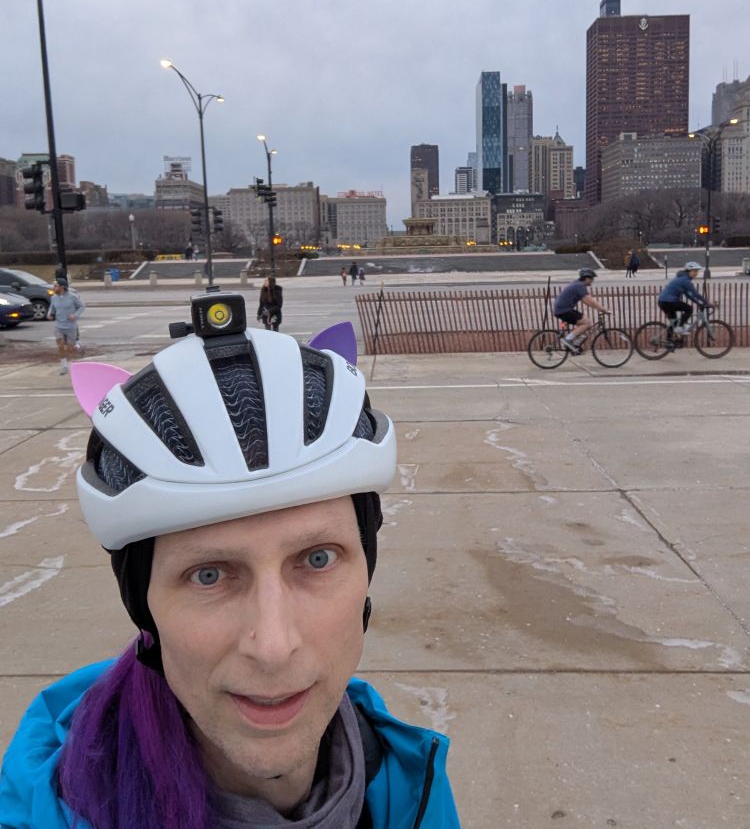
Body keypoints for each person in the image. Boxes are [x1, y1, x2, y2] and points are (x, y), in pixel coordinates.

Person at [0, 293, 460, 828]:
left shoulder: (412, 784)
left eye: (316, 559)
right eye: (209, 575)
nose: (273, 646)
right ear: (144, 608)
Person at [553, 267, 609, 353]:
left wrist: (597, 308)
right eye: (591, 278)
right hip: (564, 310)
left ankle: (574, 347)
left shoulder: (577, 284)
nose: (592, 281)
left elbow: (586, 301)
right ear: (586, 278)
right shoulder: (579, 286)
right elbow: (589, 300)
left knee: (583, 325)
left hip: (562, 310)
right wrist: (603, 309)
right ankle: (568, 339)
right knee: (586, 323)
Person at [658, 261, 709, 336]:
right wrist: (706, 302)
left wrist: (698, 303)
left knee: (674, 323)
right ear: (688, 271)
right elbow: (695, 294)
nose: (696, 273)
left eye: (697, 271)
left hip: (663, 301)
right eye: (694, 271)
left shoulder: (682, 278)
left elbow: (688, 295)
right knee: (689, 309)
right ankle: (681, 327)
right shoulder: (685, 281)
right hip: (668, 301)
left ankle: (670, 342)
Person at [47, 276, 85, 375]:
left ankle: (76, 350)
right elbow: (52, 308)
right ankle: (64, 366)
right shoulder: (54, 298)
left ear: (62, 287)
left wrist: (75, 315)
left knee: (69, 348)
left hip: (71, 326)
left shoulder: (72, 296)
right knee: (60, 345)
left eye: (55, 286)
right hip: (58, 325)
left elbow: (81, 306)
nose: (53, 288)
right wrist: (50, 314)